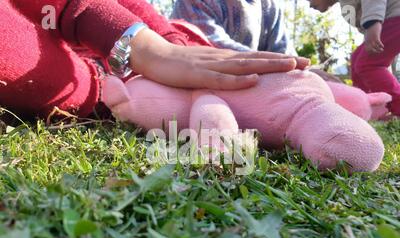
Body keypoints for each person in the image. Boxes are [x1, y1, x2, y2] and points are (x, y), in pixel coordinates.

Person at [0, 0, 309, 120]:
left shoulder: (270, 8)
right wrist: (94, 85)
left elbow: (135, 10)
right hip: (85, 73)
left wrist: (161, 46)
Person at [307, 0, 400, 116]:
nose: (310, 5)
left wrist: (373, 23)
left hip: (394, 17)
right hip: (388, 22)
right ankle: (370, 107)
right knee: (357, 59)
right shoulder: (346, 8)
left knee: (366, 65)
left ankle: (396, 107)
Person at [171, 0, 290, 54]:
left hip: (253, 81)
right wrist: (272, 63)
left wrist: (297, 67)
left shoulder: (270, 5)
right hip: (198, 84)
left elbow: (283, 51)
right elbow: (211, 44)